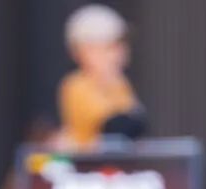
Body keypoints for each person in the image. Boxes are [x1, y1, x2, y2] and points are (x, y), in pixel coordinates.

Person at [58, 4, 147, 149]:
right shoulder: (78, 85)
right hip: (86, 168)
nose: (119, 54)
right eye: (109, 48)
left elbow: (137, 125)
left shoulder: (119, 84)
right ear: (83, 51)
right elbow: (115, 126)